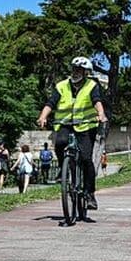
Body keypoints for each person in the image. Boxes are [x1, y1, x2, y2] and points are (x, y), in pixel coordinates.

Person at [36, 56, 108, 210]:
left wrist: (101, 114)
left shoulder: (91, 86)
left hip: (86, 126)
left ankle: (90, 194)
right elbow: (51, 102)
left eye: (79, 70)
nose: (76, 72)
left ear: (86, 72)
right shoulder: (62, 86)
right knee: (61, 143)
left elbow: (96, 101)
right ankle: (65, 168)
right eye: (74, 69)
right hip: (65, 124)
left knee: (86, 158)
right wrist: (43, 116)